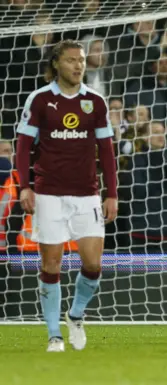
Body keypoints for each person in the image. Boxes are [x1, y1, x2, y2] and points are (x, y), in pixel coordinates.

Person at [16, 40, 118, 352]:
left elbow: (107, 151)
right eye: (72, 60)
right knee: (51, 265)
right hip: (48, 195)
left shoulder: (95, 102)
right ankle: (54, 335)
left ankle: (75, 315)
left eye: (82, 61)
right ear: (57, 64)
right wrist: (25, 186)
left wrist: (111, 193)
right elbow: (22, 146)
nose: (78, 66)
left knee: (93, 265)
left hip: (87, 195)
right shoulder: (40, 99)